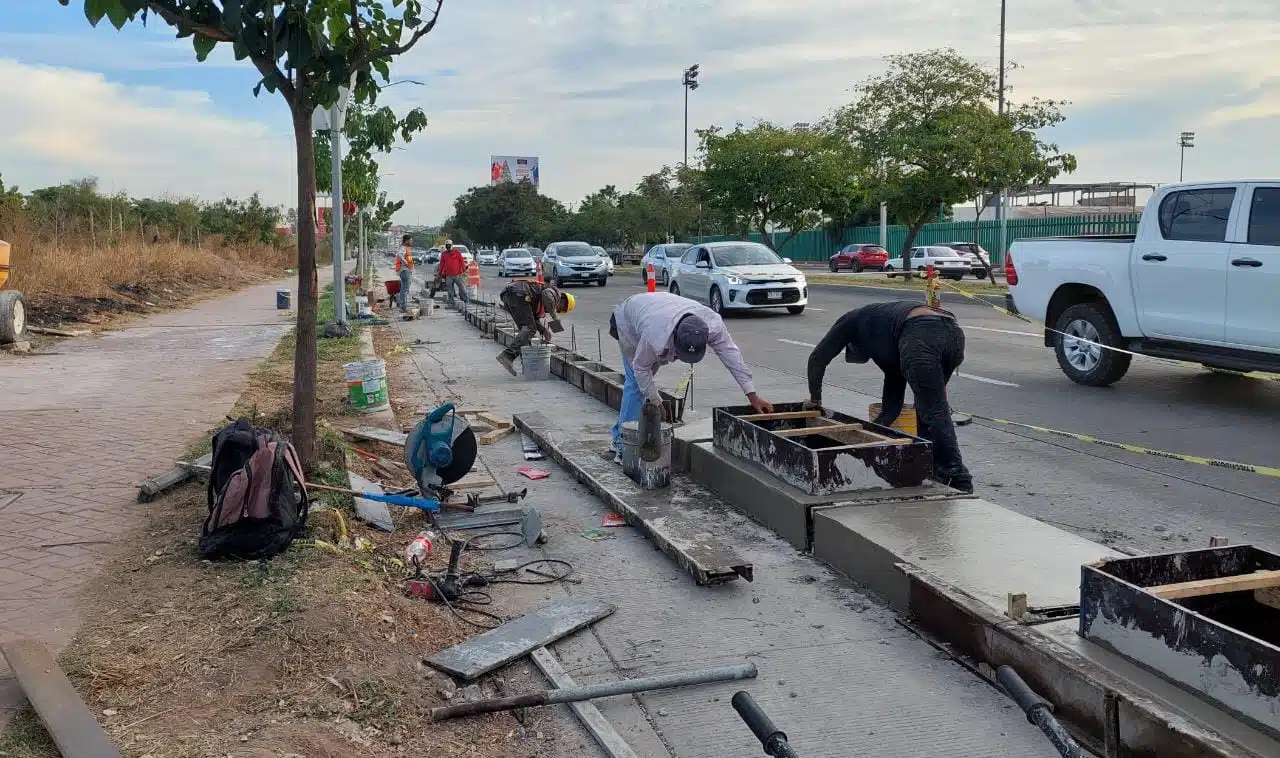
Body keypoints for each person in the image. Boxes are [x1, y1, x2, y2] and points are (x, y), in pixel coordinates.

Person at [805, 301, 972, 493]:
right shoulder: (882, 333)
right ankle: (932, 469)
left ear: (854, 344)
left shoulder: (852, 320)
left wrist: (815, 400)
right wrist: (875, 432)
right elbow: (892, 401)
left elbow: (818, 358)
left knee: (933, 410)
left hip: (920, 333)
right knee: (927, 408)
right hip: (952, 333)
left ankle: (959, 478)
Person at [609, 292, 772, 460]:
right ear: (675, 336)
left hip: (658, 311)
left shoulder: (713, 325)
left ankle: (620, 433)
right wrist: (655, 400)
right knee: (636, 384)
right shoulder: (654, 335)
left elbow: (732, 356)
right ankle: (623, 447)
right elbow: (641, 368)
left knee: (643, 386)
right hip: (628, 320)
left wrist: (751, 394)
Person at [496, 280, 574, 376]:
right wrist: (555, 318)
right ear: (563, 301)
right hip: (518, 294)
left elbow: (532, 317)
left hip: (512, 296)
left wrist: (543, 330)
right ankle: (507, 356)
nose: (557, 310)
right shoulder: (554, 293)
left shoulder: (542, 299)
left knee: (525, 332)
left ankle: (527, 367)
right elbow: (546, 295)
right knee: (530, 329)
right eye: (561, 308)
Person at [437, 240, 468, 306]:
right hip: (449, 275)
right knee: (450, 290)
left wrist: (464, 271)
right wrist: (440, 274)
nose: (448, 246)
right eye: (447, 245)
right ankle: (451, 302)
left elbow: (461, 262)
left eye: (449, 245)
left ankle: (465, 300)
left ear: (452, 245)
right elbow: (442, 265)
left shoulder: (457, 252)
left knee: (462, 288)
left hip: (458, 274)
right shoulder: (444, 254)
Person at [394, 234, 415, 311]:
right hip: (405, 270)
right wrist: (405, 262)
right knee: (405, 289)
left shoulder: (405, 248)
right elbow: (399, 254)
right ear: (406, 241)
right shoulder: (403, 247)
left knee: (403, 289)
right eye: (410, 240)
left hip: (404, 270)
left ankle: (403, 305)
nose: (411, 242)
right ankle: (404, 306)